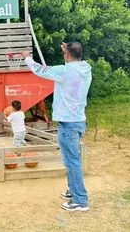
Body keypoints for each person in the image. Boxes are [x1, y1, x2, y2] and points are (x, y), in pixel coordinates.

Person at [22, 42, 92, 212]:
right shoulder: (85, 69)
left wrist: (27, 58)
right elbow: (71, 59)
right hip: (77, 120)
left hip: (69, 124)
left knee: (72, 161)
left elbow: (39, 70)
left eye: (65, 54)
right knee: (71, 160)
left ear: (67, 56)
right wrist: (67, 50)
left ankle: (80, 200)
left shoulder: (65, 71)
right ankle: (73, 191)